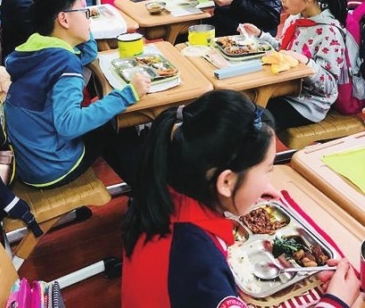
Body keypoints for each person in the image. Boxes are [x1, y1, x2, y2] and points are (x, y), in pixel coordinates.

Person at [122, 90, 359, 307]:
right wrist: (334, 302)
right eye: (267, 169)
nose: (269, 178)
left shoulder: (163, 186)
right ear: (226, 182)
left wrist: (246, 188)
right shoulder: (200, 264)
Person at [4, 0, 151, 187]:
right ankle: (148, 193)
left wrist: (83, 27)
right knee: (118, 124)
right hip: (51, 166)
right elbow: (69, 125)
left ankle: (141, 189)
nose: (89, 19)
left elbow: (88, 55)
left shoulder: (37, 50)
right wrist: (128, 94)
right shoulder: (65, 63)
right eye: (84, 12)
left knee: (105, 115)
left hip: (29, 162)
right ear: (64, 19)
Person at [241, 0, 347, 132]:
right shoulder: (295, 18)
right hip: (283, 89)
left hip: (307, 104)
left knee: (253, 124)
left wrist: (305, 62)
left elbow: (329, 86)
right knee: (240, 108)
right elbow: (285, 51)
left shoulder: (329, 32)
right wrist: (260, 36)